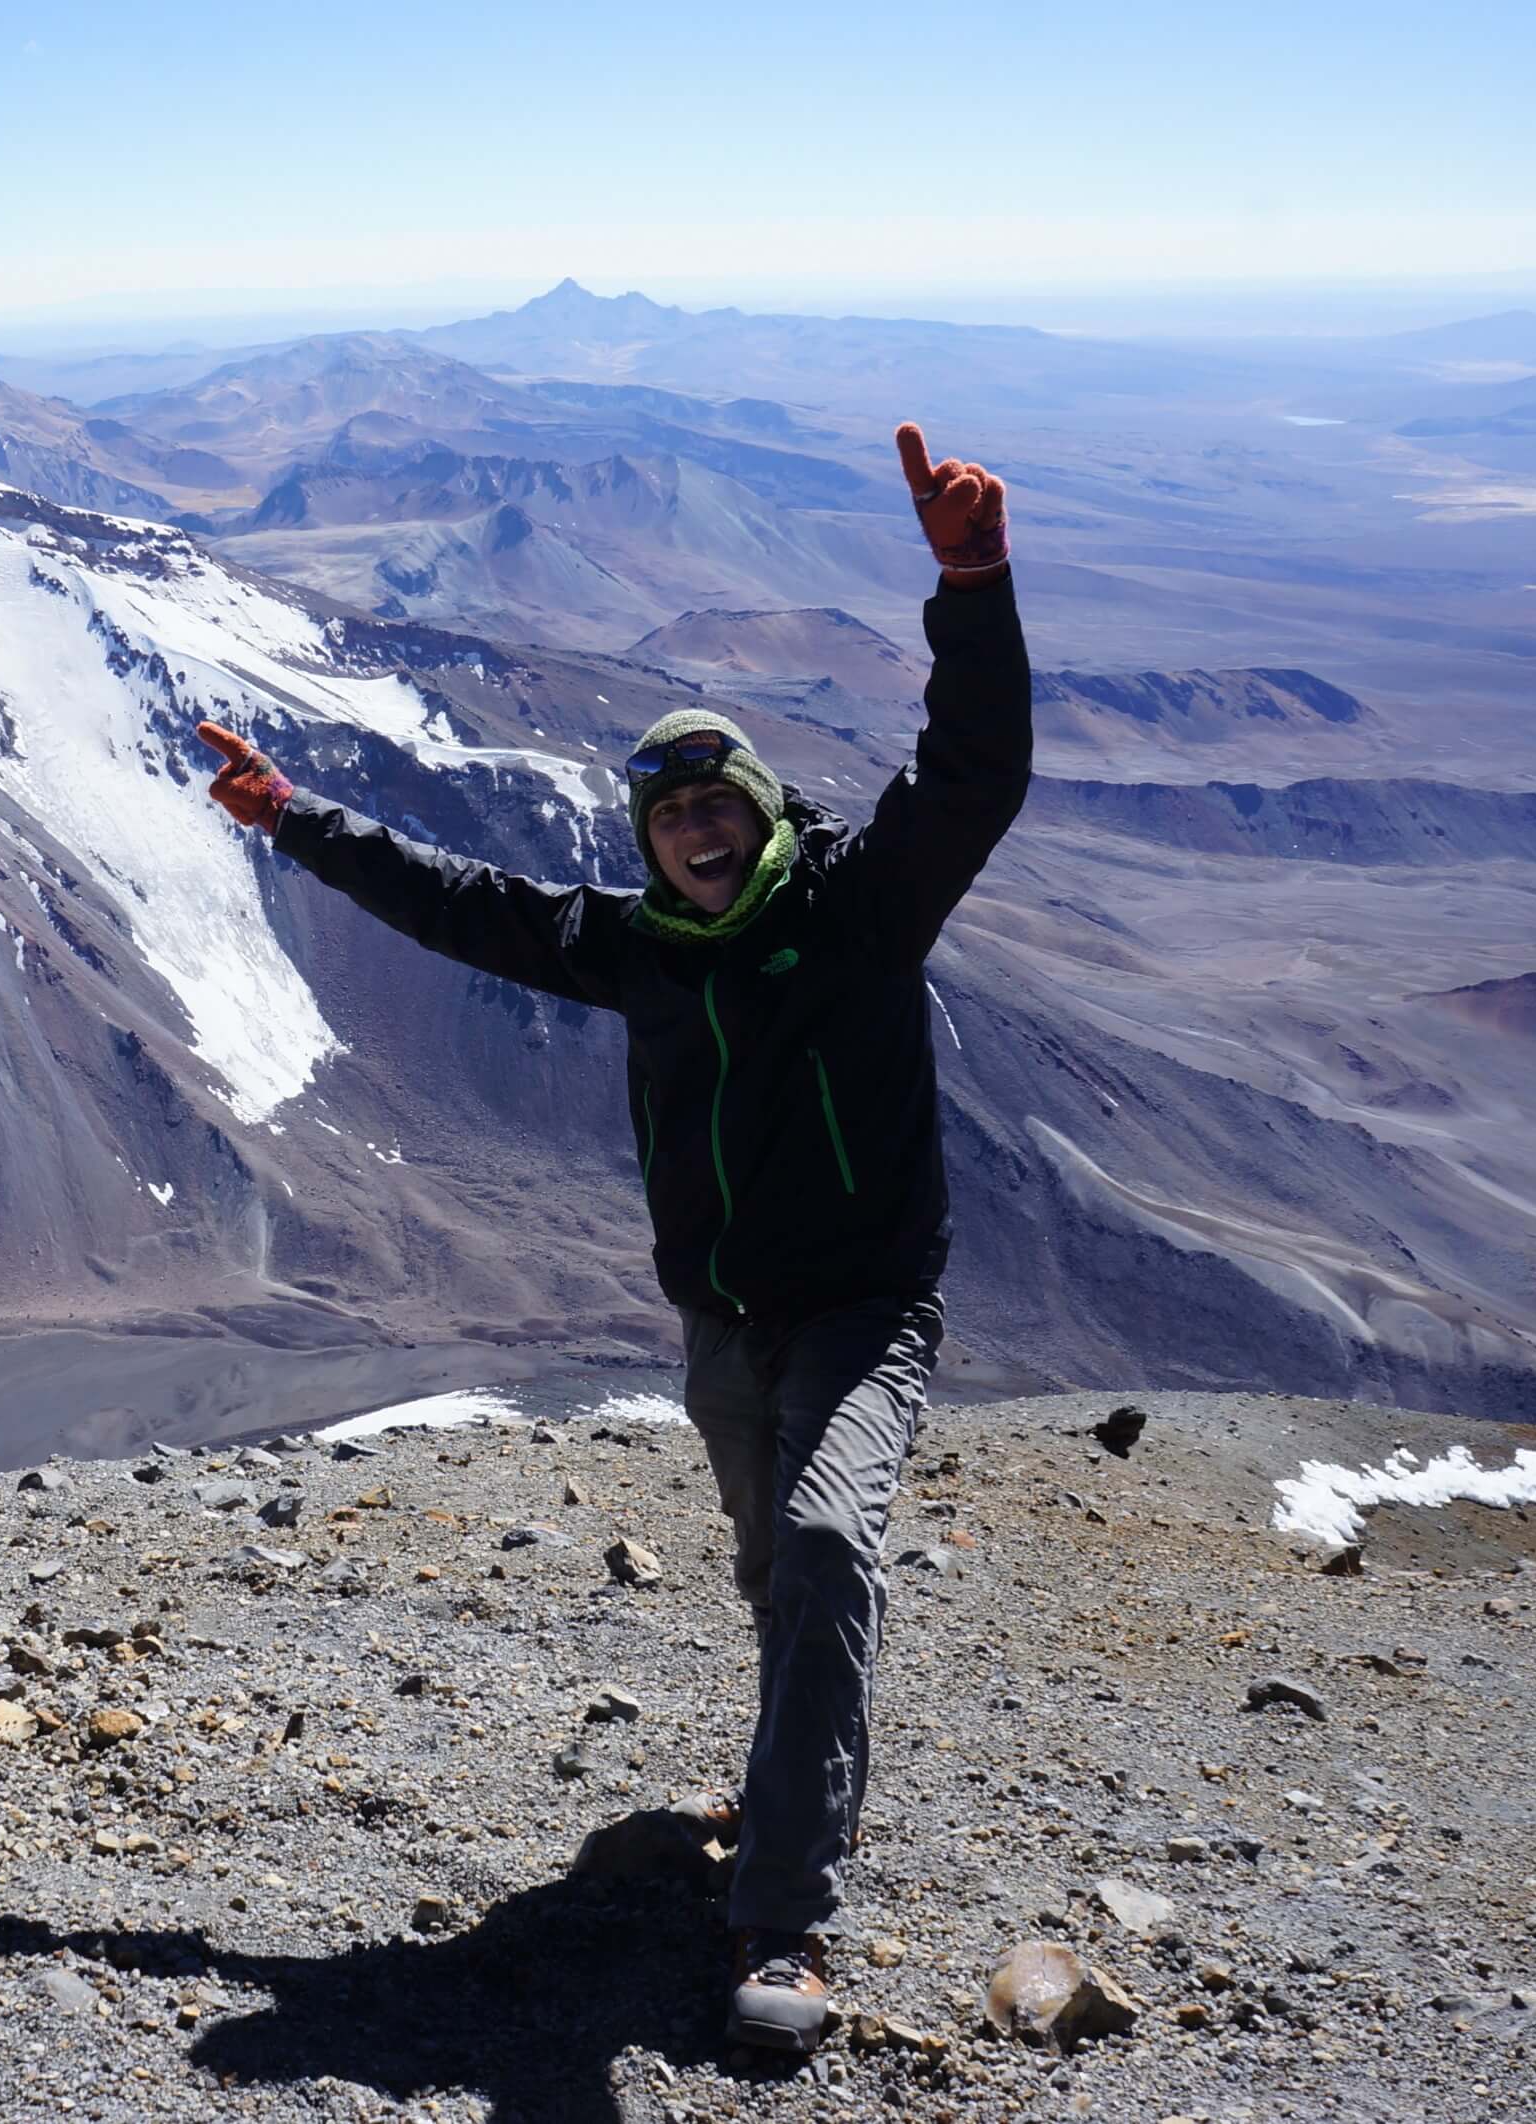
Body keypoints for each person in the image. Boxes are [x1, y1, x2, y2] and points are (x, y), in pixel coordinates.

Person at [195, 424, 1031, 2053]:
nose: (701, 836)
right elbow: (450, 898)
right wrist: (291, 817)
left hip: (868, 1306)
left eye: (720, 805)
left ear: (761, 810)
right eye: (671, 821)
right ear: (647, 843)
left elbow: (976, 771)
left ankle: (781, 1915)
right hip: (724, 1324)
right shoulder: (632, 951)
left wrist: (973, 585)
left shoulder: (861, 907)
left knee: (828, 1545)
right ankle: (799, 1742)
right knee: (772, 1567)